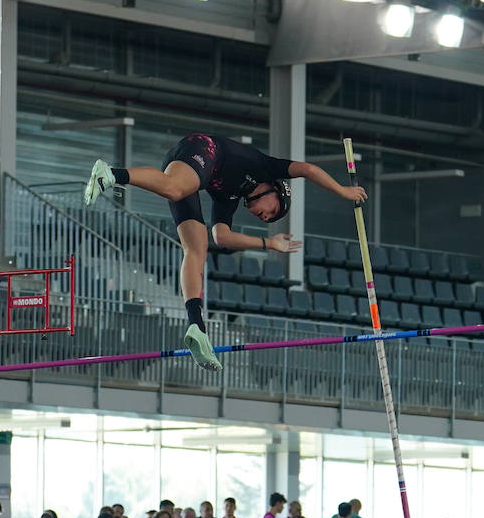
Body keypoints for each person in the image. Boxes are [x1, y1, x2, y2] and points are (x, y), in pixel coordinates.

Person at [84, 135, 365, 370]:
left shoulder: (230, 196)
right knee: (174, 188)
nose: (267, 217)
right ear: (274, 189)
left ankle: (196, 327)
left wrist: (270, 244)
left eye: (269, 220)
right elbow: (308, 170)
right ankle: (111, 174)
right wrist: (343, 192)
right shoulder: (267, 168)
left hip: (196, 174)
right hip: (202, 149)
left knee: (197, 247)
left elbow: (223, 237)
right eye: (274, 210)